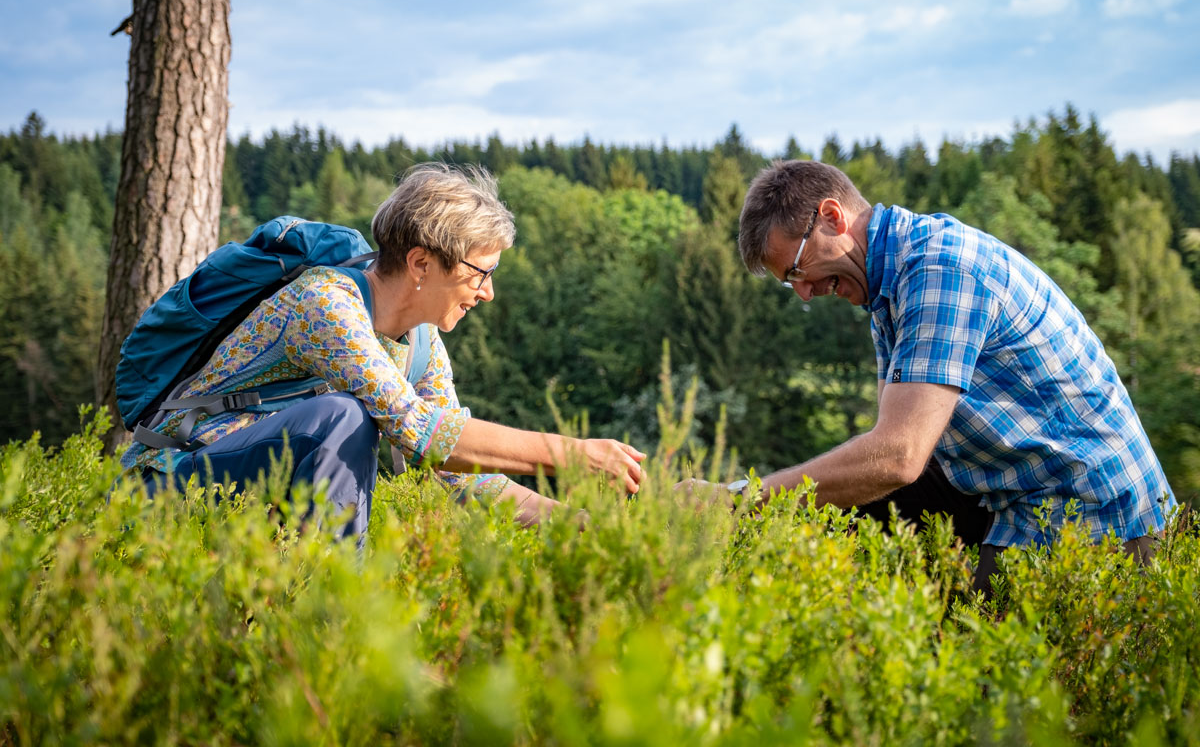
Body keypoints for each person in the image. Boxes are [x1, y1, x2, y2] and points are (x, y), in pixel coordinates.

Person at [696, 159, 1176, 593]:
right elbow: (891, 455)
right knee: (844, 535)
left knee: (964, 647)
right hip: (1009, 488)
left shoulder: (938, 268)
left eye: (798, 269)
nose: (803, 293)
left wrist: (739, 501)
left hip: (1094, 512)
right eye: (789, 282)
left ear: (832, 217)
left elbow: (898, 457)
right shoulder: (888, 288)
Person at [123, 163, 644, 540]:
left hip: (249, 497)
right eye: (481, 273)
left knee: (346, 419)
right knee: (341, 418)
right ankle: (334, 632)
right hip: (167, 485)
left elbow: (458, 469)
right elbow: (418, 432)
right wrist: (571, 454)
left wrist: (580, 524)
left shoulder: (420, 342)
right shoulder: (325, 301)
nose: (487, 293)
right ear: (421, 263)